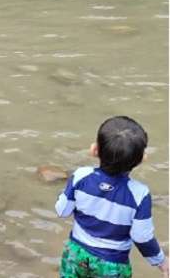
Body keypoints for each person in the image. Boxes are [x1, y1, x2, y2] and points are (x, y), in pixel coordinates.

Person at [55, 116, 168, 278]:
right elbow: (142, 237)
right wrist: (161, 261)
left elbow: (62, 210)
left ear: (95, 150)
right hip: (112, 264)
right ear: (142, 159)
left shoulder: (80, 176)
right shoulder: (139, 194)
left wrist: (67, 192)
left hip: (76, 254)